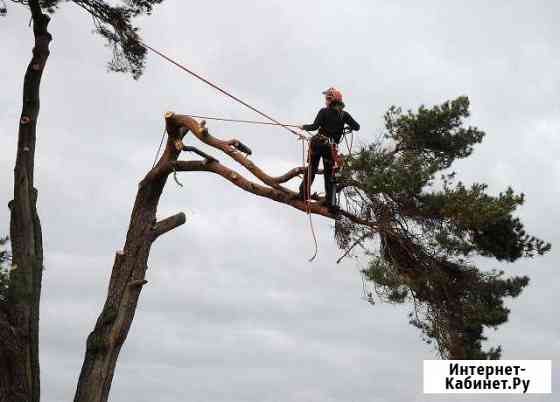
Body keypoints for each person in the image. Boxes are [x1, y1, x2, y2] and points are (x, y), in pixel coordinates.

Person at [297, 87, 360, 210]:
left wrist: (303, 126)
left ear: (331, 100)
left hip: (317, 143)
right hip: (329, 148)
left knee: (312, 169)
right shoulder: (344, 115)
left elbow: (314, 127)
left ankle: (303, 194)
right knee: (329, 174)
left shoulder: (323, 111)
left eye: (328, 98)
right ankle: (330, 203)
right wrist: (348, 127)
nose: (326, 100)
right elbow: (357, 127)